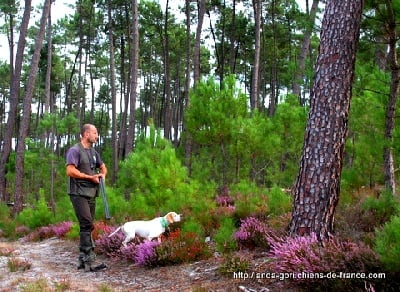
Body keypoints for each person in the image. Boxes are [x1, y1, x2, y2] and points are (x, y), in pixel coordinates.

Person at [66, 124, 108, 272]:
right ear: (86, 134)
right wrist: (90, 177)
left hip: (91, 193)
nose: (97, 136)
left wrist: (102, 174)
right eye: (95, 133)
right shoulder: (75, 150)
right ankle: (89, 260)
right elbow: (70, 170)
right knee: (86, 223)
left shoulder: (94, 152)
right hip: (78, 193)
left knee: (88, 225)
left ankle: (83, 260)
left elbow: (103, 167)